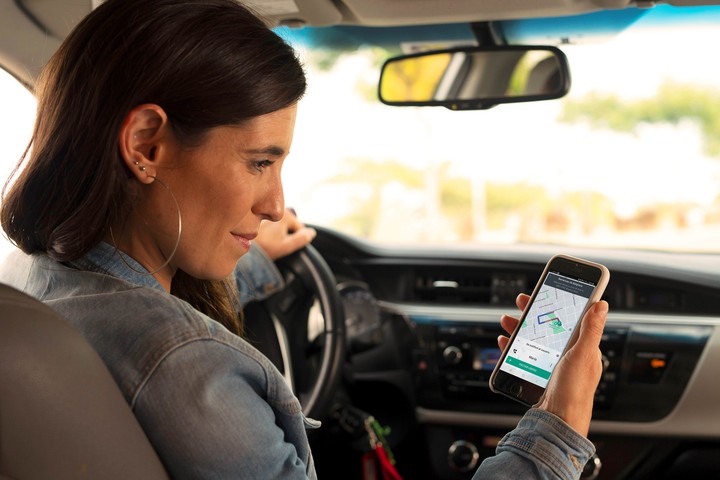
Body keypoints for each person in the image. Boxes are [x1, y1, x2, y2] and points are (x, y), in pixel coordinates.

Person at [0, 0, 609, 479]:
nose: (274, 205)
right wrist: (558, 426)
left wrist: (252, 262)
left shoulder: (31, 281)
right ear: (146, 145)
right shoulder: (188, 365)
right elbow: (166, 346)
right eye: (259, 163)